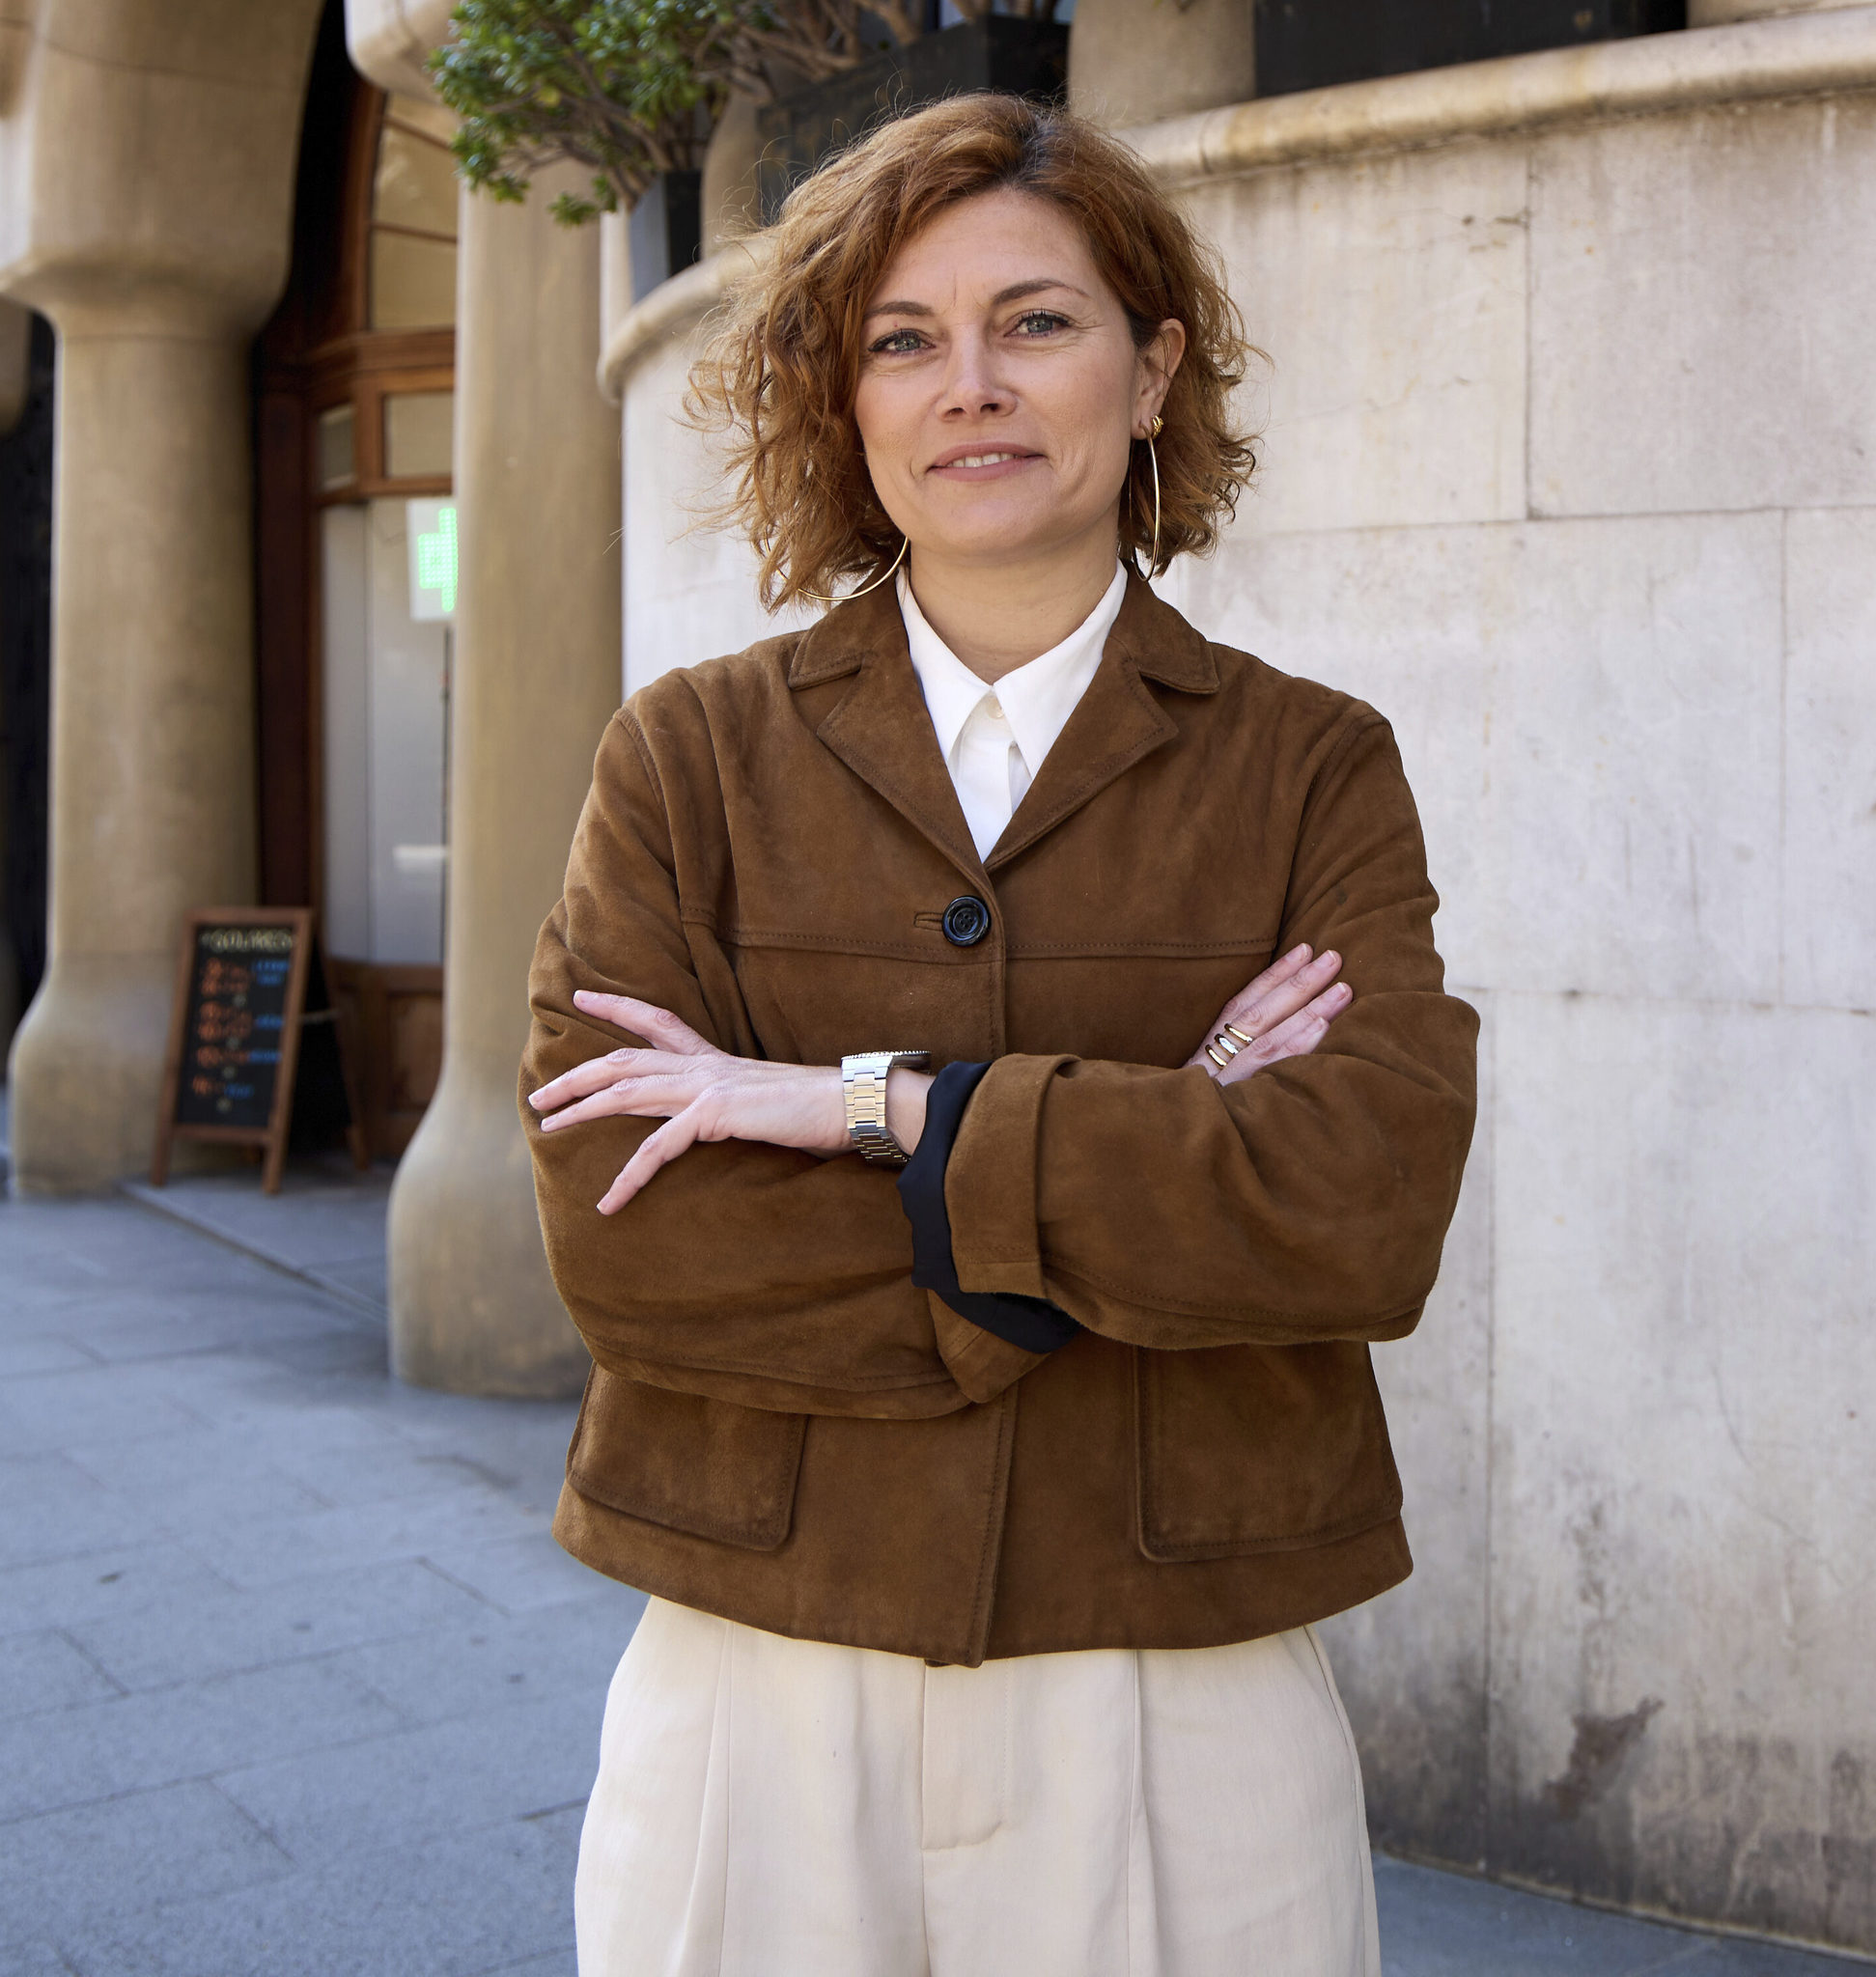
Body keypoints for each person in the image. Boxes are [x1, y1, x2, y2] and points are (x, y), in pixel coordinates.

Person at [521, 93, 1478, 1976]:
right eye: (903, 340)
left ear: (1153, 371)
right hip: (760, 1663)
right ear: (845, 399)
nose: (969, 384)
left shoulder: (1312, 765)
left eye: (1034, 321)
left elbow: (1360, 1210)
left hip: (1178, 1666)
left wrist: (868, 1108)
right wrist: (1158, 1144)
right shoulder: (686, 758)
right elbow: (630, 1239)